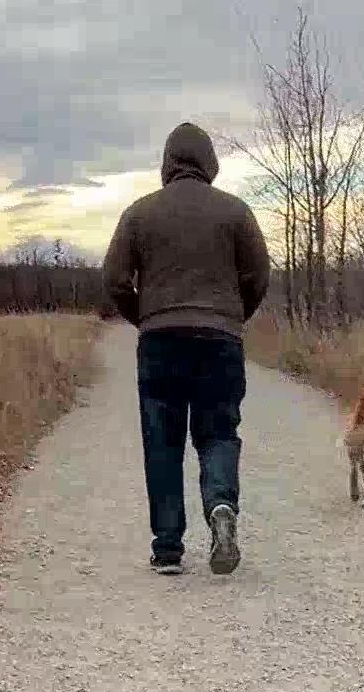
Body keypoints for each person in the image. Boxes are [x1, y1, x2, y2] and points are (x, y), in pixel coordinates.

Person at [101, 121, 272, 576]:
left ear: (167, 164)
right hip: (220, 341)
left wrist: (146, 318)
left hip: (160, 342)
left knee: (163, 441)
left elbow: (114, 279)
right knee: (217, 432)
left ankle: (169, 548)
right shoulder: (236, 212)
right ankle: (220, 505)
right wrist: (232, 318)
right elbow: (259, 277)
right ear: (210, 163)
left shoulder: (139, 214)